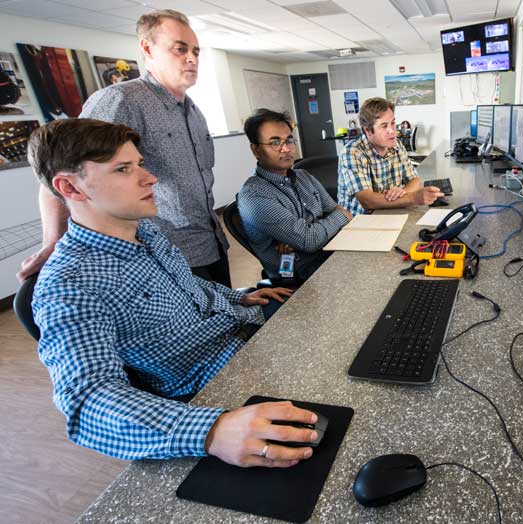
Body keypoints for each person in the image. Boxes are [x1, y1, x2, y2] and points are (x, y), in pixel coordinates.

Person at [30, 118, 316, 467]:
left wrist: (237, 296)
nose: (149, 178)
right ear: (71, 189)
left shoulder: (145, 230)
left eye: (140, 164)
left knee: (341, 329)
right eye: (123, 169)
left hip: (242, 328)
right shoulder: (69, 284)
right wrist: (211, 430)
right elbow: (87, 399)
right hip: (215, 380)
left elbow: (186, 285)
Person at [18, 9, 232, 287]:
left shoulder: (193, 111)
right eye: (180, 49)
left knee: (234, 322)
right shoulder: (121, 100)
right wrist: (53, 241)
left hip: (209, 241)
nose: (191, 58)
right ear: (148, 48)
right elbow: (62, 170)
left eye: (195, 51)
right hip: (160, 254)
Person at [238, 109, 352, 283]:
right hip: (294, 274)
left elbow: (337, 211)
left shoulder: (303, 176)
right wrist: (320, 229)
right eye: (275, 142)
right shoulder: (254, 196)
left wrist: (307, 234)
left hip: (328, 255)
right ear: (256, 149)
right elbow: (311, 240)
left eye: (289, 140)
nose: (286, 149)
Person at [337, 97, 442, 216]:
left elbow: (415, 180)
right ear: (368, 130)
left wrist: (402, 192)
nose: (392, 131)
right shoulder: (352, 152)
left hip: (390, 212)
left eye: (393, 123)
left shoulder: (397, 145)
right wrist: (413, 197)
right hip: (360, 221)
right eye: (384, 126)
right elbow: (367, 201)